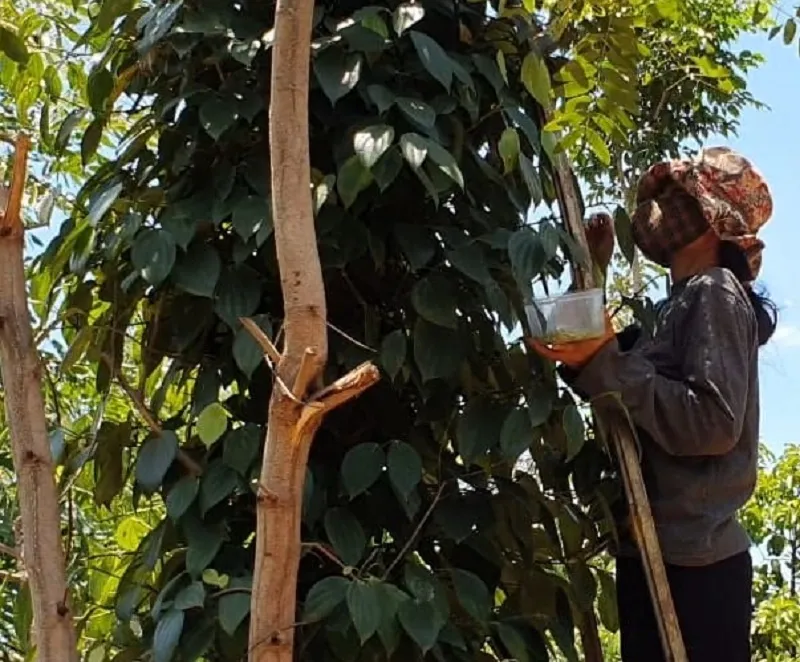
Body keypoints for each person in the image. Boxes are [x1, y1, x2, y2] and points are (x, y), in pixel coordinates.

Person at [528, 147, 777, 662]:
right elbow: (598, 369)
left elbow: (711, 424)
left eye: (676, 196)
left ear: (711, 220)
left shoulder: (715, 290)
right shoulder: (673, 307)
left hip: (696, 565)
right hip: (655, 548)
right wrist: (592, 271)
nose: (660, 206)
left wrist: (607, 360)